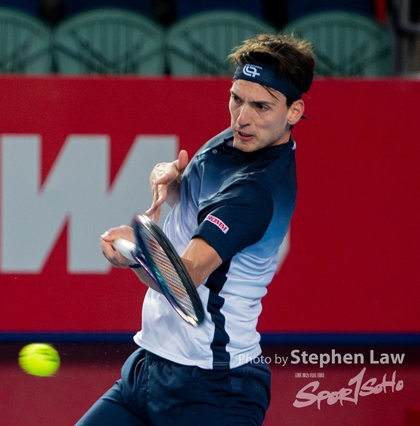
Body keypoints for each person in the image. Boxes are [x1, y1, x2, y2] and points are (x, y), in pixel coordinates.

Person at [76, 33, 316, 426]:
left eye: (261, 106)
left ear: (294, 111)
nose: (242, 117)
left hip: (212, 388)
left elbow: (184, 282)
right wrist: (171, 181)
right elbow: (198, 202)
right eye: (236, 99)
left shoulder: (257, 191)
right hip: (148, 368)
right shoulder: (234, 142)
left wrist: (136, 253)